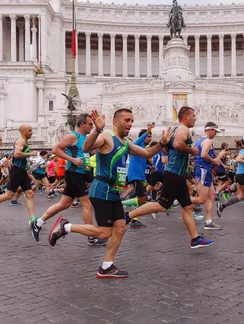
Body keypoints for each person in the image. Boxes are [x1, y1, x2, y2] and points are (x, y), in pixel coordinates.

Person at [47, 108, 171, 278]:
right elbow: (86, 146)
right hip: (102, 190)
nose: (130, 123)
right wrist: (97, 129)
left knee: (120, 228)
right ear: (116, 121)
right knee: (105, 232)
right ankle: (65, 227)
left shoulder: (126, 143)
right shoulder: (106, 136)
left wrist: (162, 143)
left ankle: (106, 266)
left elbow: (147, 152)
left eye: (132, 121)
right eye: (126, 120)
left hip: (114, 191)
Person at [123, 106, 215, 249]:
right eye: (193, 115)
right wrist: (192, 150)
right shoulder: (183, 129)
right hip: (174, 174)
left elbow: (167, 149)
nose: (195, 118)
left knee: (187, 207)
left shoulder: (176, 131)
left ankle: (195, 238)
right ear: (186, 117)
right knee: (161, 205)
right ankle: (128, 216)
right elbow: (178, 145)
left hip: (176, 173)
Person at [30, 114, 105, 246]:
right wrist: (72, 160)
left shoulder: (85, 138)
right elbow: (56, 149)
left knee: (63, 204)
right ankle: (91, 236)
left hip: (80, 174)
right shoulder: (73, 136)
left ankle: (38, 223)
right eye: (90, 124)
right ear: (82, 124)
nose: (91, 127)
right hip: (74, 173)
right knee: (87, 204)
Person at [0, 125, 38, 223]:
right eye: (29, 130)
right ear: (23, 131)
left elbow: (13, 154)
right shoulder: (21, 141)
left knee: (30, 193)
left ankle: (32, 218)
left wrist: (11, 159)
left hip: (22, 170)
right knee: (8, 195)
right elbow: (17, 154)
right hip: (17, 170)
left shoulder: (23, 142)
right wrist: (31, 154)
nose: (32, 132)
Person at [190, 122, 226, 229]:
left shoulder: (198, 141)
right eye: (215, 131)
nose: (216, 134)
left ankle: (209, 222)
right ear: (210, 130)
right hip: (203, 170)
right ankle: (177, 199)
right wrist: (214, 161)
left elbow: (194, 155)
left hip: (203, 170)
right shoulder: (207, 141)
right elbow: (203, 154)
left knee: (212, 195)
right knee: (201, 199)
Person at [217, 136, 244, 222]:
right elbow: (238, 160)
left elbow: (237, 160)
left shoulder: (242, 150)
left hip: (240, 174)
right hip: (243, 174)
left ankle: (222, 206)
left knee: (241, 196)